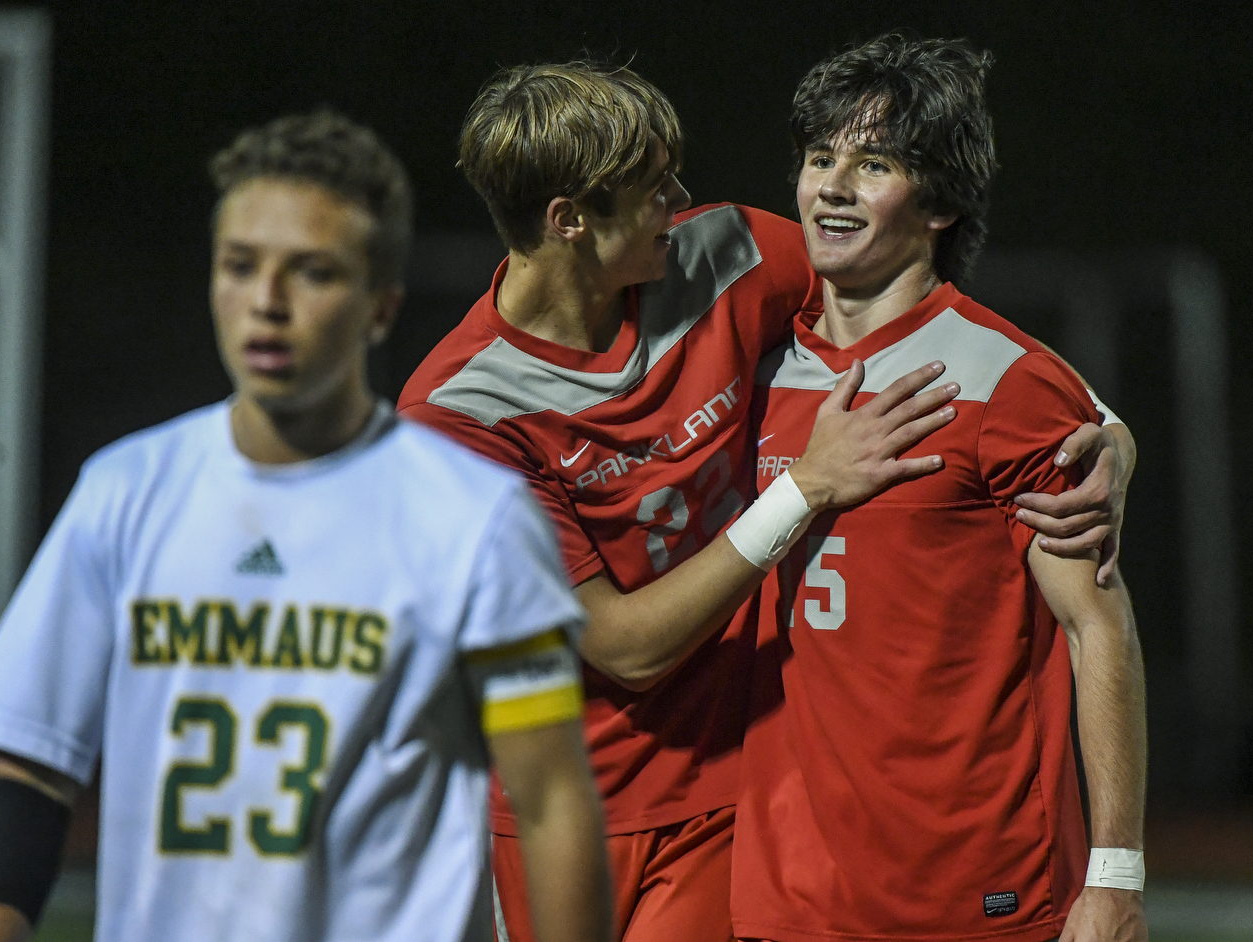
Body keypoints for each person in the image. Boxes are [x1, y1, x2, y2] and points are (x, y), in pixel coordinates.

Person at [399, 63, 1135, 942]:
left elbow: (950, 328)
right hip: (563, 795)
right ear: (570, 221)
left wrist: (1109, 433)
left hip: (728, 782)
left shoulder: (724, 256)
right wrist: (806, 487)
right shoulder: (458, 413)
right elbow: (623, 648)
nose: (682, 201)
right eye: (652, 191)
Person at [0, 112, 610, 942]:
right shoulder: (125, 493)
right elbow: (32, 773)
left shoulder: (473, 519)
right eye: (240, 266)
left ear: (382, 306)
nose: (267, 303)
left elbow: (553, 799)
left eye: (312, 273)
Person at [731, 35, 1148, 942]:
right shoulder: (753, 367)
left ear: (943, 203)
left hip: (972, 893)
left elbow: (1098, 627)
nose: (832, 186)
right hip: (782, 895)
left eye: (872, 162)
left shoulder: (1005, 380)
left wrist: (1116, 875)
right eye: (818, 158)